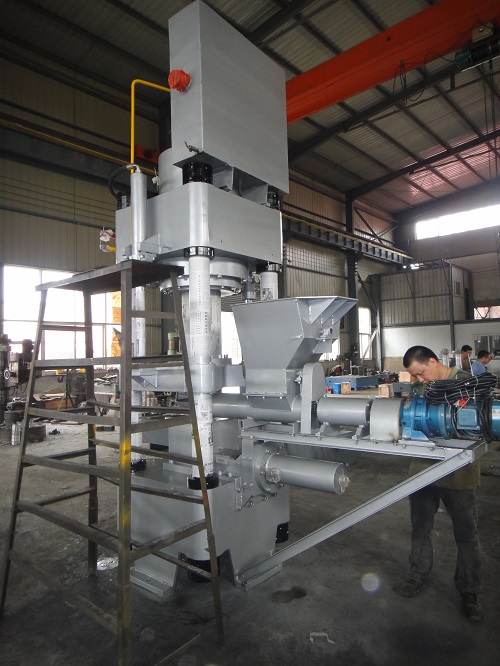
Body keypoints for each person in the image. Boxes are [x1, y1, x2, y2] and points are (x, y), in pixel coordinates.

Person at [395, 345, 483, 621]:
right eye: (415, 377)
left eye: (421, 373)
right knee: (420, 527)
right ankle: (417, 574)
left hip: (459, 472)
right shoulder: (420, 388)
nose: (420, 380)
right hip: (424, 469)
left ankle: (469, 591)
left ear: (432, 362)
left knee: (466, 533)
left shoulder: (467, 382)